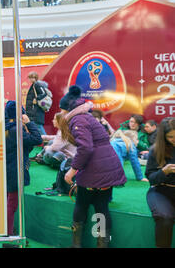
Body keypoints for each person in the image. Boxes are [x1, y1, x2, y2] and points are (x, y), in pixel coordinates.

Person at [59, 85, 126, 248]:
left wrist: (72, 170)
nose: (61, 113)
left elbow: (86, 147)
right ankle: (102, 245)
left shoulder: (77, 120)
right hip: (107, 168)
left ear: (68, 109)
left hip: (94, 171)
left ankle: (76, 245)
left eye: (62, 109)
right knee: (102, 208)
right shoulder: (87, 117)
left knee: (81, 204)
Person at [4, 101, 42, 244]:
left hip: (6, 170)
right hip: (15, 171)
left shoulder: (5, 128)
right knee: (12, 205)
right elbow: (37, 139)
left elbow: (27, 146)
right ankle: (8, 237)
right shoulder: (16, 130)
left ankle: (8, 232)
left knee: (8, 202)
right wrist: (29, 123)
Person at [145, 117, 175, 248]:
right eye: (171, 137)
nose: (174, 139)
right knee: (165, 217)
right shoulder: (156, 150)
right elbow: (151, 178)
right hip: (160, 190)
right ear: (163, 137)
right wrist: (164, 172)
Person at [25, 71, 48, 135]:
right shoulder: (34, 85)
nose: (30, 79)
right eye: (29, 78)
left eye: (31, 78)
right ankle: (44, 142)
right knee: (37, 127)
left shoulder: (37, 85)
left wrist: (36, 99)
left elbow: (44, 93)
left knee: (38, 127)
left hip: (36, 111)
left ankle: (47, 141)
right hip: (34, 111)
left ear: (35, 78)